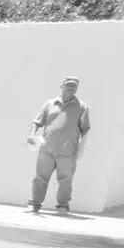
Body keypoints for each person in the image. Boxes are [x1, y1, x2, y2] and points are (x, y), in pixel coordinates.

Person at [27, 76, 91, 214]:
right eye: (69, 85)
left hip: (68, 152)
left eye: (74, 87)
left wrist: (80, 149)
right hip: (47, 149)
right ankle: (34, 204)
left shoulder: (82, 107)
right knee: (40, 178)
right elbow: (37, 122)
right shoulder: (49, 104)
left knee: (66, 180)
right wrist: (32, 135)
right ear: (62, 86)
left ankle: (63, 206)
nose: (71, 88)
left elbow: (85, 130)